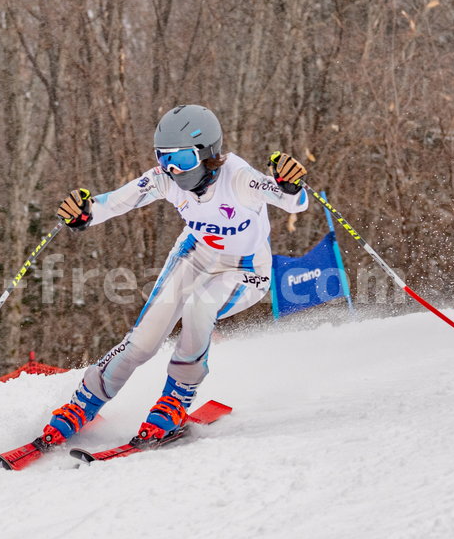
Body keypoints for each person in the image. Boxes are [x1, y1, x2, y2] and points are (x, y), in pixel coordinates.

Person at [41, 103, 309, 448]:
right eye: (163, 158)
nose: (172, 170)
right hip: (196, 255)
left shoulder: (239, 178)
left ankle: (177, 396)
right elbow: (117, 201)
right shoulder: (166, 180)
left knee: (200, 306)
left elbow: (294, 203)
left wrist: (289, 184)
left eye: (182, 160)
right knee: (144, 339)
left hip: (245, 269)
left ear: (209, 153)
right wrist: (85, 213)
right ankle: (84, 403)